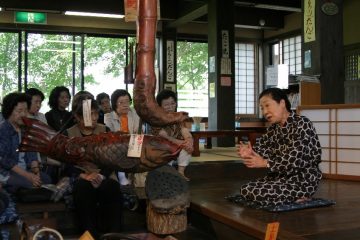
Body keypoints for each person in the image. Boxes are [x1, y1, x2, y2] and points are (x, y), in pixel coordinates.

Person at [237, 87, 322, 207]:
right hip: (280, 178)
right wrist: (249, 153)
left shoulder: (302, 124)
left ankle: (302, 195)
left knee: (256, 192)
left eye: (267, 105)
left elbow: (293, 161)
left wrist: (265, 163)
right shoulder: (273, 129)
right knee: (246, 189)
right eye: (262, 108)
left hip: (301, 180)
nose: (265, 112)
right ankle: (292, 199)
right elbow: (261, 150)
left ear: (282, 103)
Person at [64, 92, 123, 238]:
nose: (95, 118)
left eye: (96, 114)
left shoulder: (105, 131)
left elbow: (112, 159)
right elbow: (66, 162)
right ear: (77, 117)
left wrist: (101, 175)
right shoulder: (69, 133)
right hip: (81, 176)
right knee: (83, 188)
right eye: (90, 114)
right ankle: (89, 234)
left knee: (112, 187)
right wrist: (82, 175)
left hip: (102, 173)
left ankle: (113, 234)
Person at [0, 92, 51, 194]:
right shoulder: (3, 129)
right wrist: (28, 176)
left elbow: (32, 154)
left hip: (25, 171)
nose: (23, 114)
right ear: (9, 111)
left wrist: (36, 173)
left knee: (46, 180)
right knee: (28, 183)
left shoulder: (26, 129)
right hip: (7, 171)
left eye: (26, 110)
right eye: (19, 111)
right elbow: (5, 161)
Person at [151, 89, 193, 180]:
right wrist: (182, 143)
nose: (170, 107)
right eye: (166, 105)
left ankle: (181, 172)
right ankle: (167, 173)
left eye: (173, 103)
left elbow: (185, 131)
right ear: (159, 106)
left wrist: (189, 141)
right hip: (161, 147)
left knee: (187, 148)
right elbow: (164, 137)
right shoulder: (156, 119)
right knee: (168, 148)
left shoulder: (180, 116)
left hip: (177, 145)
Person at [104, 89, 141, 186]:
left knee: (138, 142)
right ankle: (121, 174)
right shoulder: (108, 117)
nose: (125, 105)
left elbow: (137, 131)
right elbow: (110, 135)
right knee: (116, 146)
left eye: (128, 101)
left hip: (132, 141)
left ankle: (135, 176)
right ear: (115, 104)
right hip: (117, 143)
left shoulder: (134, 113)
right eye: (121, 102)